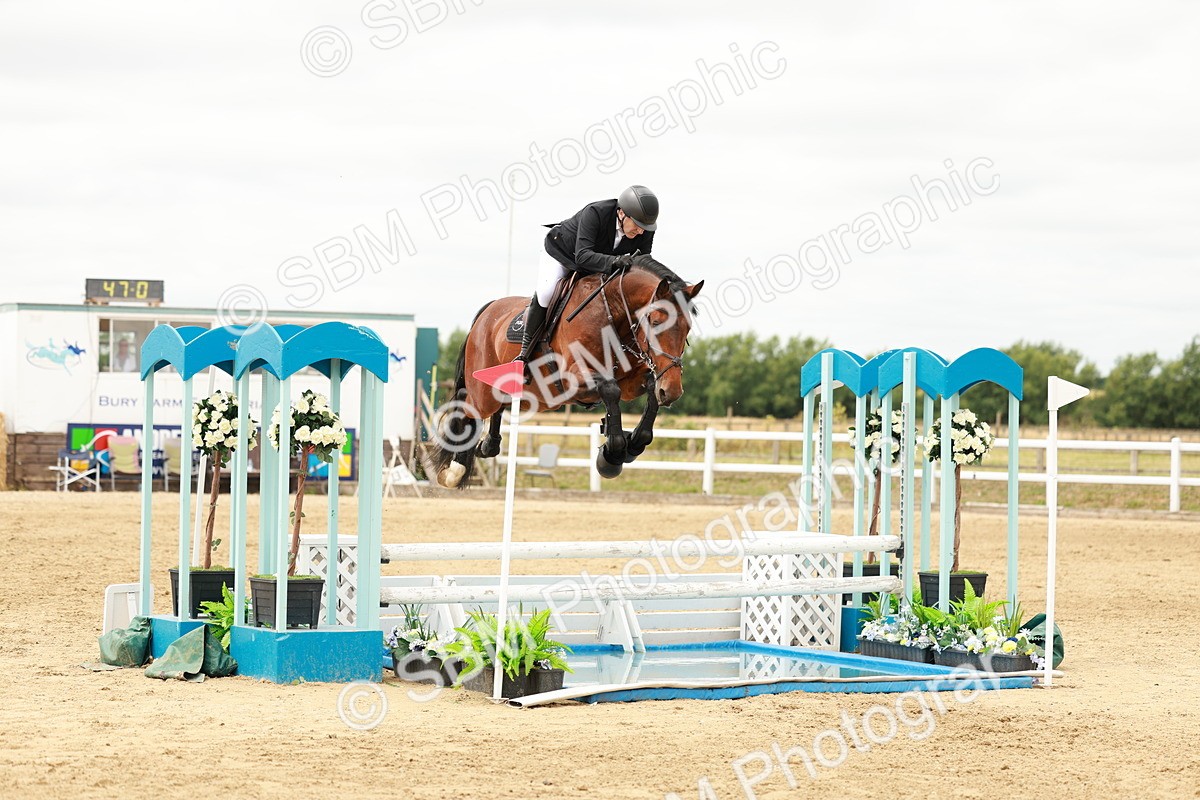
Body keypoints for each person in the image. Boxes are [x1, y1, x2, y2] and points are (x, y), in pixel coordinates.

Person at [517, 185, 659, 367]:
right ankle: (525, 353)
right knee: (546, 292)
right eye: (638, 226)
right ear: (622, 213)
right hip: (563, 253)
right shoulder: (595, 213)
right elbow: (583, 256)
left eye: (644, 228)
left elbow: (642, 264)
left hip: (597, 264)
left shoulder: (645, 230)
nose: (641, 232)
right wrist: (615, 261)